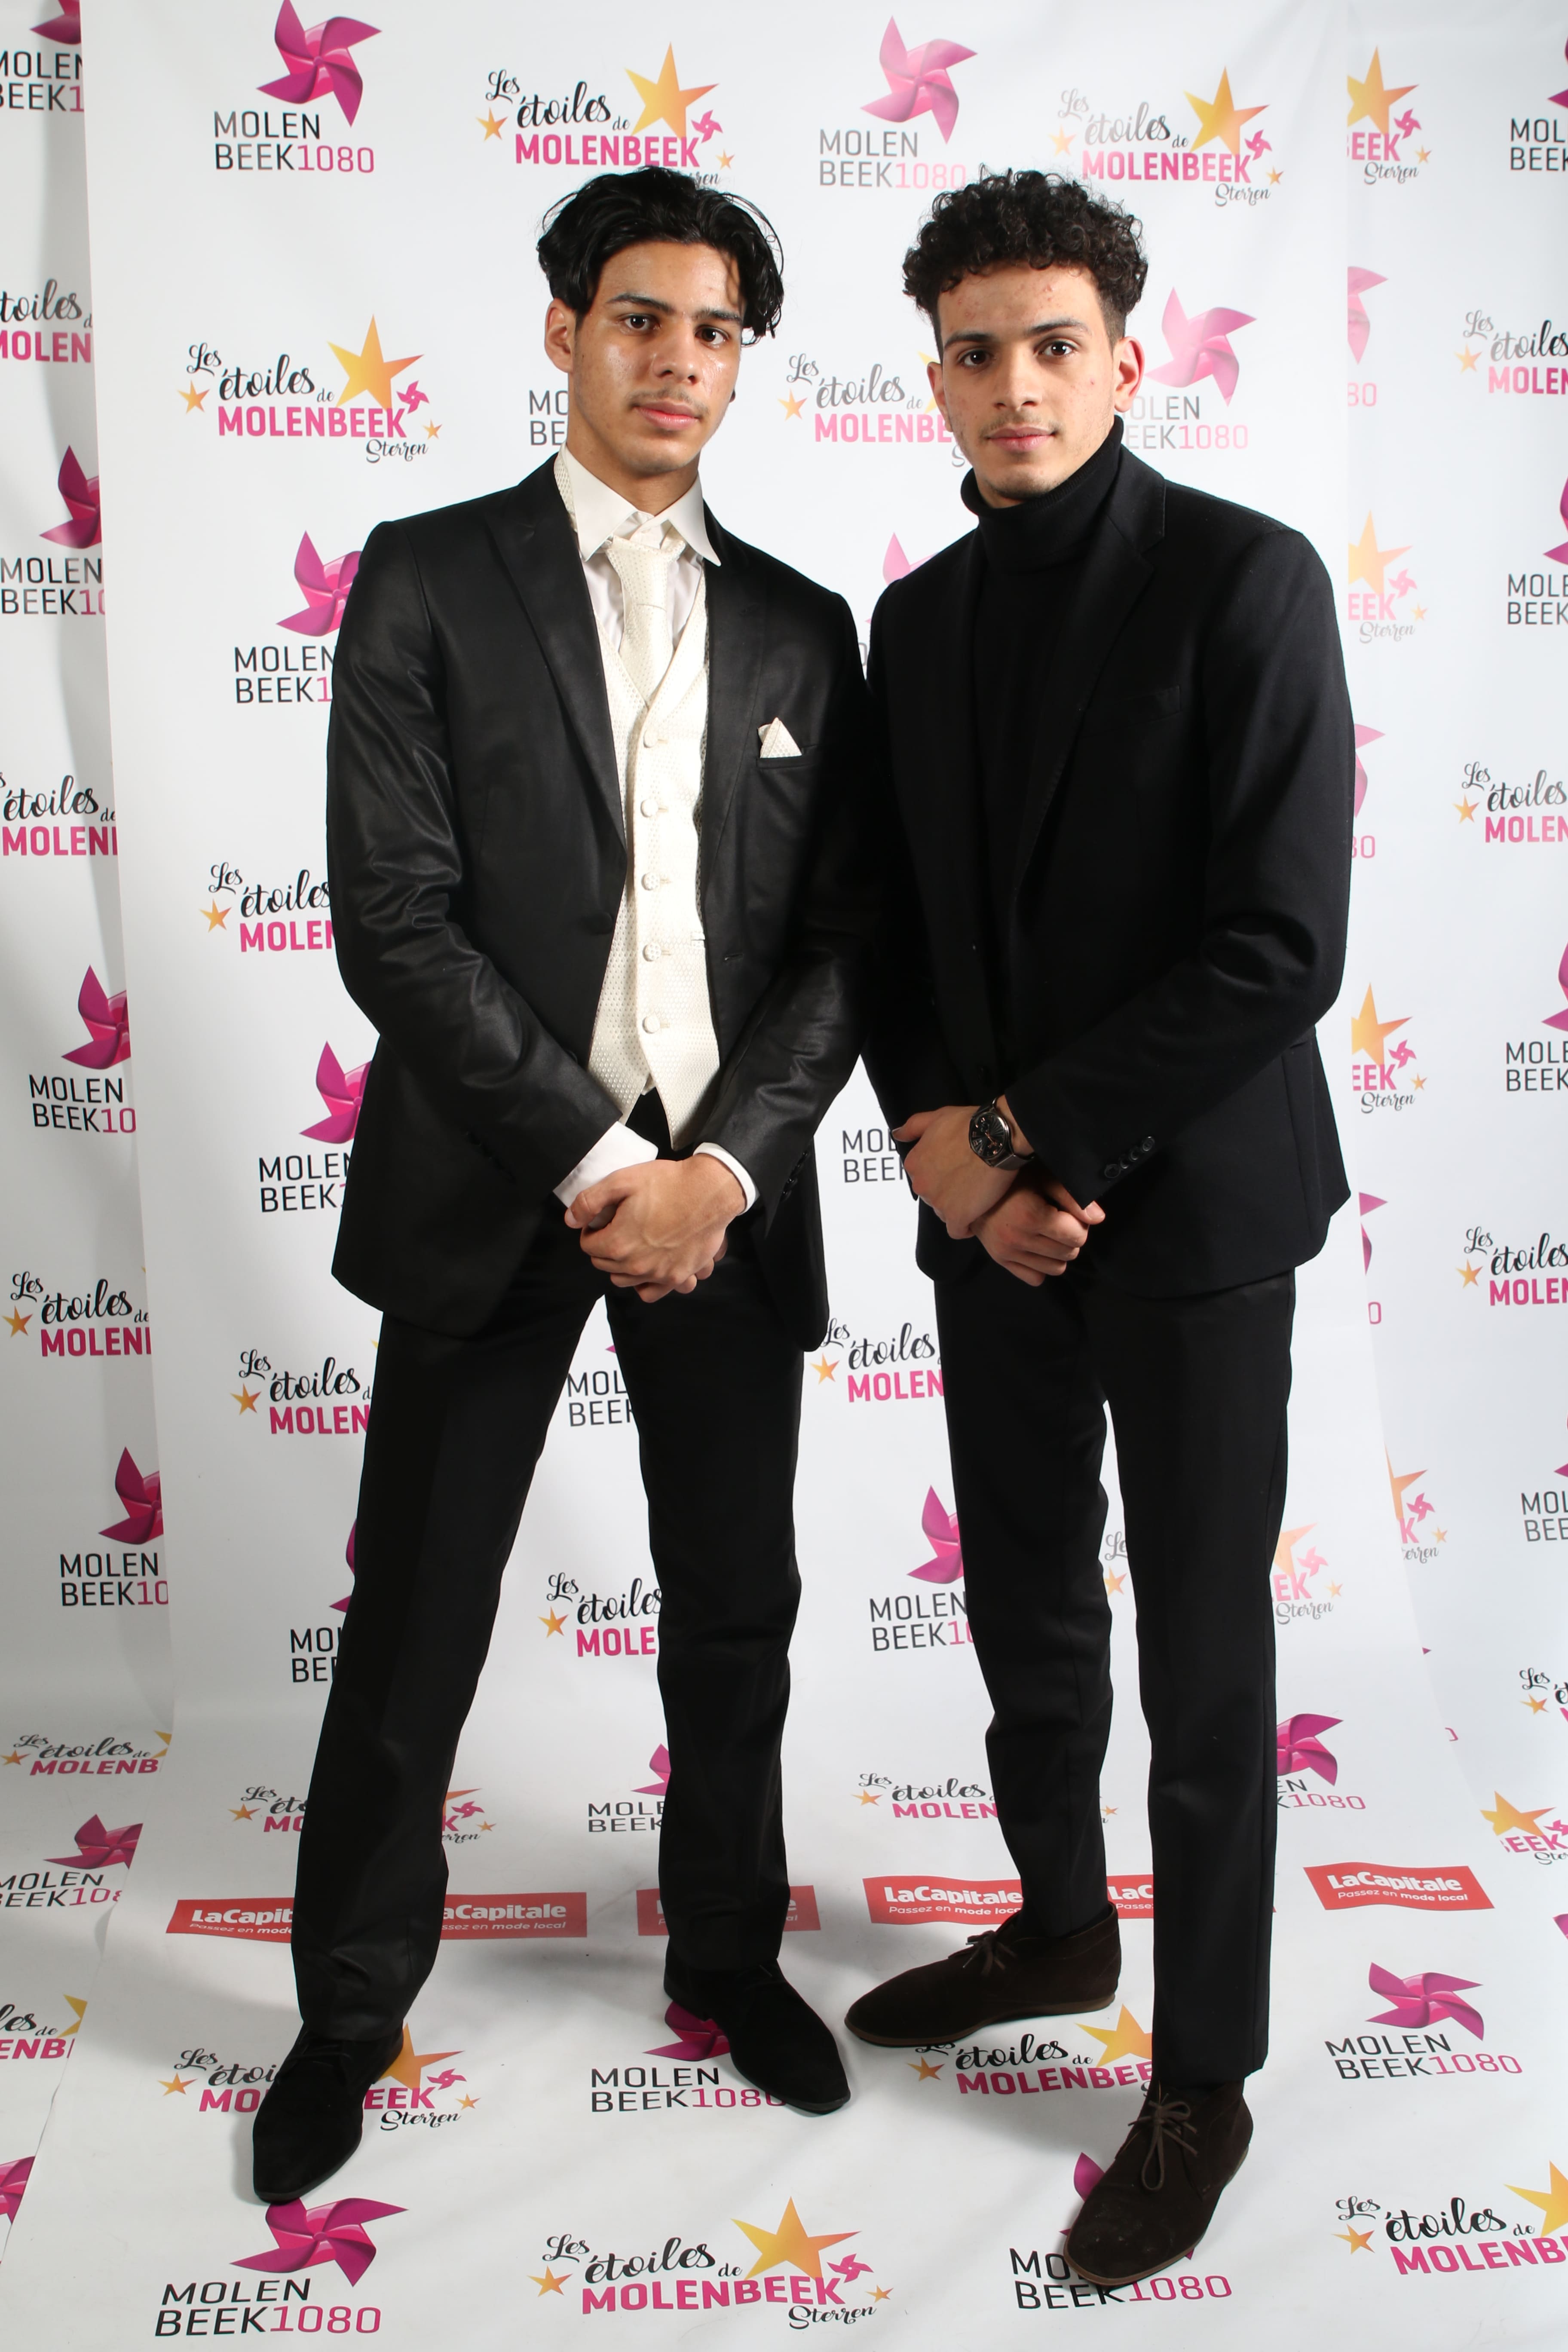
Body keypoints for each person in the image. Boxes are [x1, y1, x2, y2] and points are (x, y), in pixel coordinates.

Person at [253, 167, 876, 2204]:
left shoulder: (806, 626)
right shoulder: (427, 579)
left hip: (725, 1199)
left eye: (714, 331)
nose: (678, 360)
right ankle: (349, 2010)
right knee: (419, 1614)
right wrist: (609, 1163)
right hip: (490, 1185)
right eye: (639, 319)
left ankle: (729, 1958)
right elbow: (396, 921)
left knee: (738, 1612)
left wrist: (724, 1171)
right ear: (563, 331)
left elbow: (843, 948)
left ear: (740, 362)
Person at [848, 171, 1351, 2285]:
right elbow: (884, 931)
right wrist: (954, 1162)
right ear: (937, 381)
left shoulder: (1250, 578)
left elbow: (1279, 945)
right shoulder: (916, 625)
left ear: (1127, 362)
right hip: (992, 1221)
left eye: (1055, 347)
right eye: (976, 353)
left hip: (1197, 1212)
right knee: (1030, 1606)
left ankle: (1203, 2078)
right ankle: (1061, 1926)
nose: (1017, 385)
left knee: (1207, 1656)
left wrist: (1032, 1139)